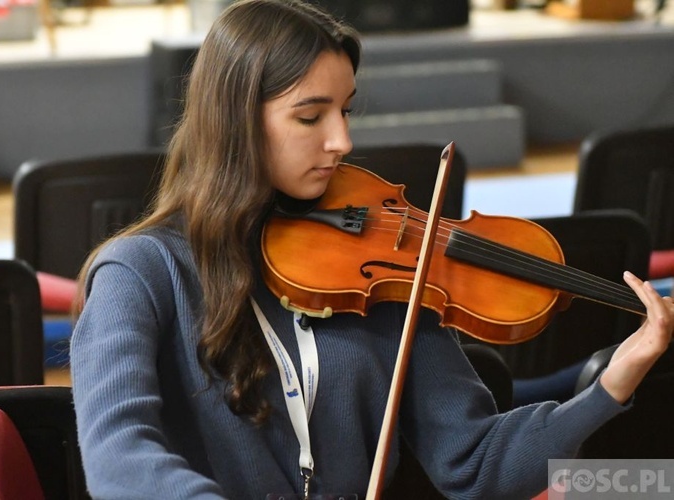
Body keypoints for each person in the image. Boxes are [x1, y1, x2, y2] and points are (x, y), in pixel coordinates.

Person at [69, 1, 674, 498]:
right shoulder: (140, 273)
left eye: (347, 110)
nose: (343, 140)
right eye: (311, 117)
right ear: (233, 121)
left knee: (646, 489)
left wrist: (609, 387)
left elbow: (477, 463)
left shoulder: (380, 273)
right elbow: (118, 457)